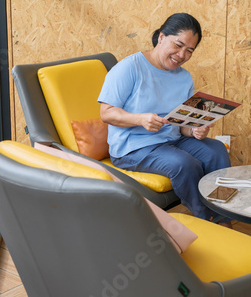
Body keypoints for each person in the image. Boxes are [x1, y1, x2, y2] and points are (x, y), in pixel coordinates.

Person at [98, 13, 231, 224]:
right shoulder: (129, 68)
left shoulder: (184, 77)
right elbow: (106, 113)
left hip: (172, 140)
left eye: (189, 51)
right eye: (178, 45)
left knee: (216, 150)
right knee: (184, 164)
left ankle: (225, 217)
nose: (181, 55)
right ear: (161, 37)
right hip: (133, 148)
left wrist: (195, 130)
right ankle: (207, 220)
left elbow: (183, 126)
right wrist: (140, 119)